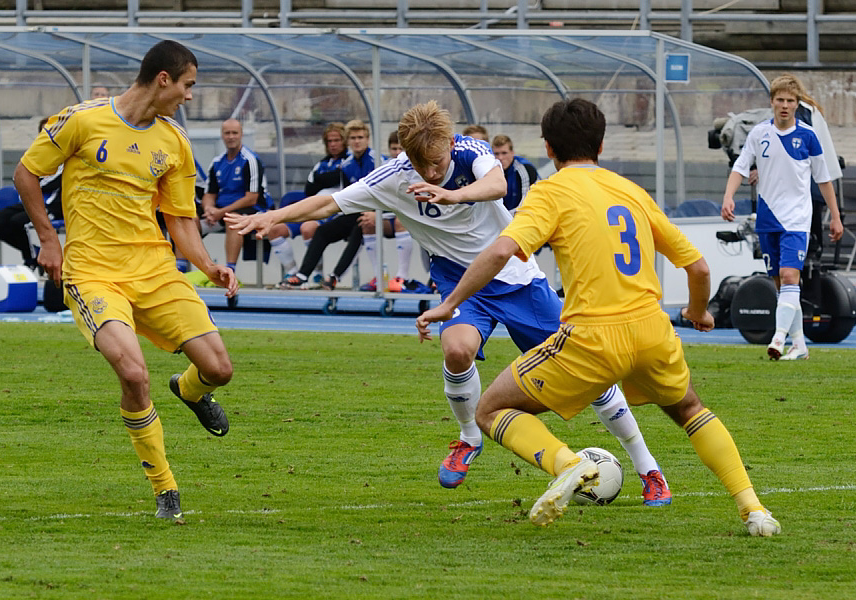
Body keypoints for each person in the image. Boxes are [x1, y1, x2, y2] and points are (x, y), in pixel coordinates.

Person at [226, 100, 672, 506]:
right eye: (425, 166)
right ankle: (468, 436)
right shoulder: (393, 176)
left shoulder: (470, 151)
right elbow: (327, 203)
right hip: (460, 283)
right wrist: (272, 215)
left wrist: (452, 194)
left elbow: (497, 184)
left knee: (588, 373)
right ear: (408, 156)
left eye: (439, 162)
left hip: (517, 278)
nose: (434, 172)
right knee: (456, 349)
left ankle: (648, 468)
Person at [416, 98, 780, 536]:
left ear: (548, 148)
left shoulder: (549, 191)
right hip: (652, 331)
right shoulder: (631, 191)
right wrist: (697, 311)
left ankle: (568, 464)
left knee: (491, 410)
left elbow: (499, 251)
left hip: (592, 338)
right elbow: (699, 267)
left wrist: (447, 303)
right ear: (602, 144)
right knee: (691, 410)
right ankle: (754, 509)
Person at [13, 40, 238, 522]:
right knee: (133, 374)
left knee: (220, 368)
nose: (190, 96)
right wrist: (49, 241)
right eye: (188, 85)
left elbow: (180, 220)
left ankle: (191, 390)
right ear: (163, 80)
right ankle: (166, 489)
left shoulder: (174, 142)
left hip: (154, 271)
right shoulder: (81, 119)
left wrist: (209, 264)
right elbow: (27, 174)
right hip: (93, 273)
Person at [721, 74, 843, 361]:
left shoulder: (808, 136)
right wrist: (728, 196)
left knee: (790, 276)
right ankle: (799, 344)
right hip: (768, 218)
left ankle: (778, 338)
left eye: (790, 101)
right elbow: (741, 166)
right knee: (780, 283)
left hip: (797, 219)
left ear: (797, 104)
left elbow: (824, 179)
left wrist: (835, 216)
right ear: (772, 102)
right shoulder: (759, 133)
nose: (785, 106)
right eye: (780, 100)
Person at [278, 119, 379, 290]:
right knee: (323, 231)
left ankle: (334, 276)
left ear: (368, 139)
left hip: (381, 212)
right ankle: (302, 275)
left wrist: (377, 213)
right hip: (356, 212)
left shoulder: (377, 160)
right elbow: (344, 194)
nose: (357, 141)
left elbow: (386, 192)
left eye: (360, 137)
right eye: (353, 138)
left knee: (360, 227)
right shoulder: (347, 165)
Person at [199, 118, 296, 277]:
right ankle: (183, 269)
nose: (231, 137)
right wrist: (209, 209)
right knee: (190, 222)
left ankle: (230, 271)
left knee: (234, 221)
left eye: (234, 133)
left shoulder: (250, 160)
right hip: (221, 213)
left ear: (241, 135)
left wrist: (221, 212)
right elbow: (209, 194)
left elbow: (251, 198)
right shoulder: (217, 162)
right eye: (227, 133)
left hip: (253, 209)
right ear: (222, 135)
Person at [0, 118, 63, 269]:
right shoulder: (38, 155)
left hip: (53, 206)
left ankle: (30, 259)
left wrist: (28, 182)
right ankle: (33, 254)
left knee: (18, 222)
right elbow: (24, 177)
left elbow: (43, 182)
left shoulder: (66, 156)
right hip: (33, 201)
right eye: (43, 133)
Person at [358, 130, 417, 292]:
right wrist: (375, 214)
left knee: (401, 220)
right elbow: (377, 194)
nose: (397, 153)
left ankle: (402, 277)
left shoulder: (415, 167)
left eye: (400, 149)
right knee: (367, 223)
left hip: (414, 219)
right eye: (394, 149)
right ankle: (380, 276)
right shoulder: (385, 167)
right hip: (388, 216)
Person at [492, 134, 539, 213]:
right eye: (496, 154)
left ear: (512, 153)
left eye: (504, 153)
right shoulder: (489, 169)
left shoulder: (525, 169)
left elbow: (526, 202)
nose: (500, 158)